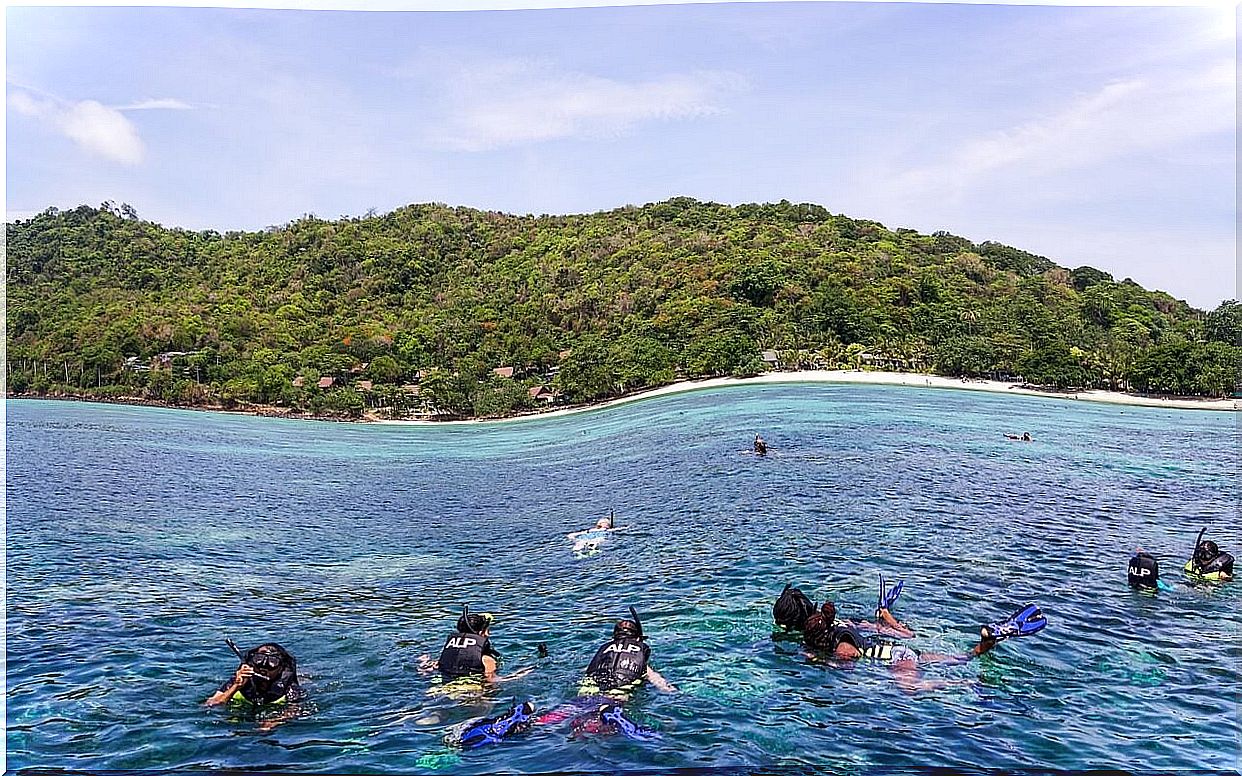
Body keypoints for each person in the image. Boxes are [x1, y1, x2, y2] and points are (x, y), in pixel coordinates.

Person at [803, 601, 1047, 692]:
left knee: (911, 689)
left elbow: (850, 662)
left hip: (898, 659)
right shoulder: (838, 627)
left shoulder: (840, 647)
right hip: (901, 651)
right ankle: (985, 642)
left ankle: (970, 684)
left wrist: (822, 661)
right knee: (960, 658)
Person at [420, 607, 532, 696]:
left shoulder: (446, 654)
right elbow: (492, 681)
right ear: (480, 633)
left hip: (441, 690)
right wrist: (518, 675)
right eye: (487, 630)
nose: (488, 634)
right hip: (471, 693)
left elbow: (433, 668)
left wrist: (425, 662)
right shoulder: (486, 660)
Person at [205, 641, 306, 730]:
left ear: (281, 668)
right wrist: (236, 686)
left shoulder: (289, 688)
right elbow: (210, 704)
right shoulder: (238, 681)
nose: (263, 667)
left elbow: (296, 710)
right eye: (259, 659)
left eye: (272, 662)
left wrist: (275, 721)